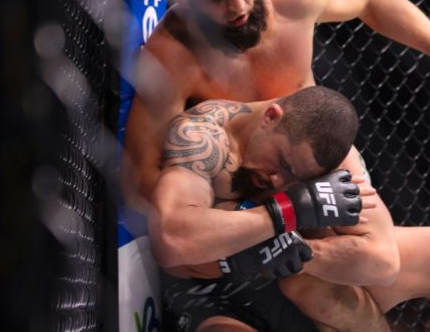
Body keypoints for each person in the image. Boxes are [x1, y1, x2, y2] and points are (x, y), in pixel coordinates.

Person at [123, 0, 430, 332]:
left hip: (315, 220)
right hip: (235, 250)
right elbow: (144, 183)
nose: (238, 6)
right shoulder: (171, 58)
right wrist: (248, 225)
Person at [149, 86, 375, 332]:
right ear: (270, 117)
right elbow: (170, 239)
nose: (278, 181)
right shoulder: (203, 139)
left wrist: (299, 251)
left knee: (343, 296)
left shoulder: (325, 158)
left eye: (296, 179)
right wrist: (286, 212)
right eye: (283, 162)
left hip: (281, 279)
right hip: (206, 291)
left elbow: (385, 263)